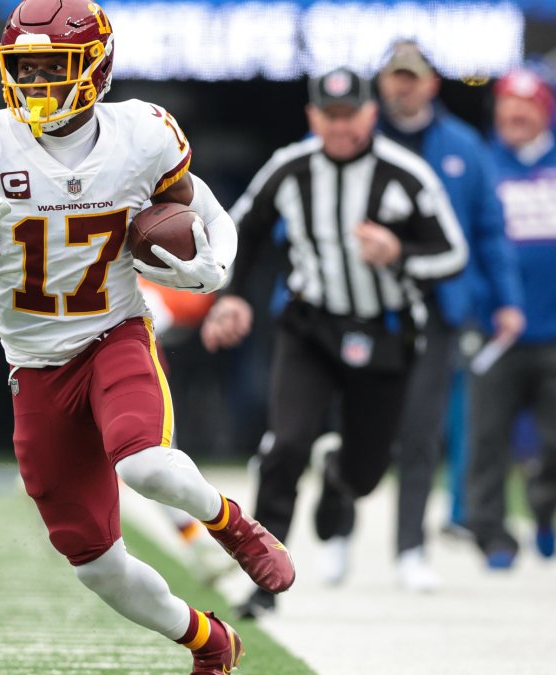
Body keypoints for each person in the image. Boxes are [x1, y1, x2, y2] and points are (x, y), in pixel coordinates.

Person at [0, 1, 295, 671]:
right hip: (33, 365)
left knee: (143, 463)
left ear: (95, 68)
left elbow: (205, 208)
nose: (38, 83)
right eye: (25, 69)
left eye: (55, 66)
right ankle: (209, 641)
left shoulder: (140, 135)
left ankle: (231, 522)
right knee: (94, 564)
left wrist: (213, 270)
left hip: (113, 333)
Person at [201, 66, 467, 616]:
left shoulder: (405, 173)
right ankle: (264, 578)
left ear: (371, 114)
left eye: (351, 115)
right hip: (312, 328)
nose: (341, 126)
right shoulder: (290, 167)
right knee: (287, 443)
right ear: (312, 117)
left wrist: (399, 253)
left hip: (387, 330)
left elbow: (453, 253)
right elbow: (241, 229)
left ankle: (340, 480)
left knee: (367, 473)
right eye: (331, 115)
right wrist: (231, 296)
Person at [375, 39, 525, 591]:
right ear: (383, 82)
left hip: (438, 309)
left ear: (431, 83)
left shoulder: (464, 147)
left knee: (424, 429)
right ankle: (338, 522)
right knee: (354, 427)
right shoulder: (356, 141)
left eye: (412, 77)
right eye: (395, 76)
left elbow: (490, 230)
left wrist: (505, 300)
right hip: (362, 309)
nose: (403, 86)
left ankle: (411, 545)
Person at [467, 68, 556, 569]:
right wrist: (486, 303)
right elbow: (466, 242)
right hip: (494, 330)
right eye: (507, 107)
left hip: (554, 330)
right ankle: (493, 535)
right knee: (488, 438)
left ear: (545, 110)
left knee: (554, 442)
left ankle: (544, 509)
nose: (516, 116)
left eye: (526, 106)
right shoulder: (482, 164)